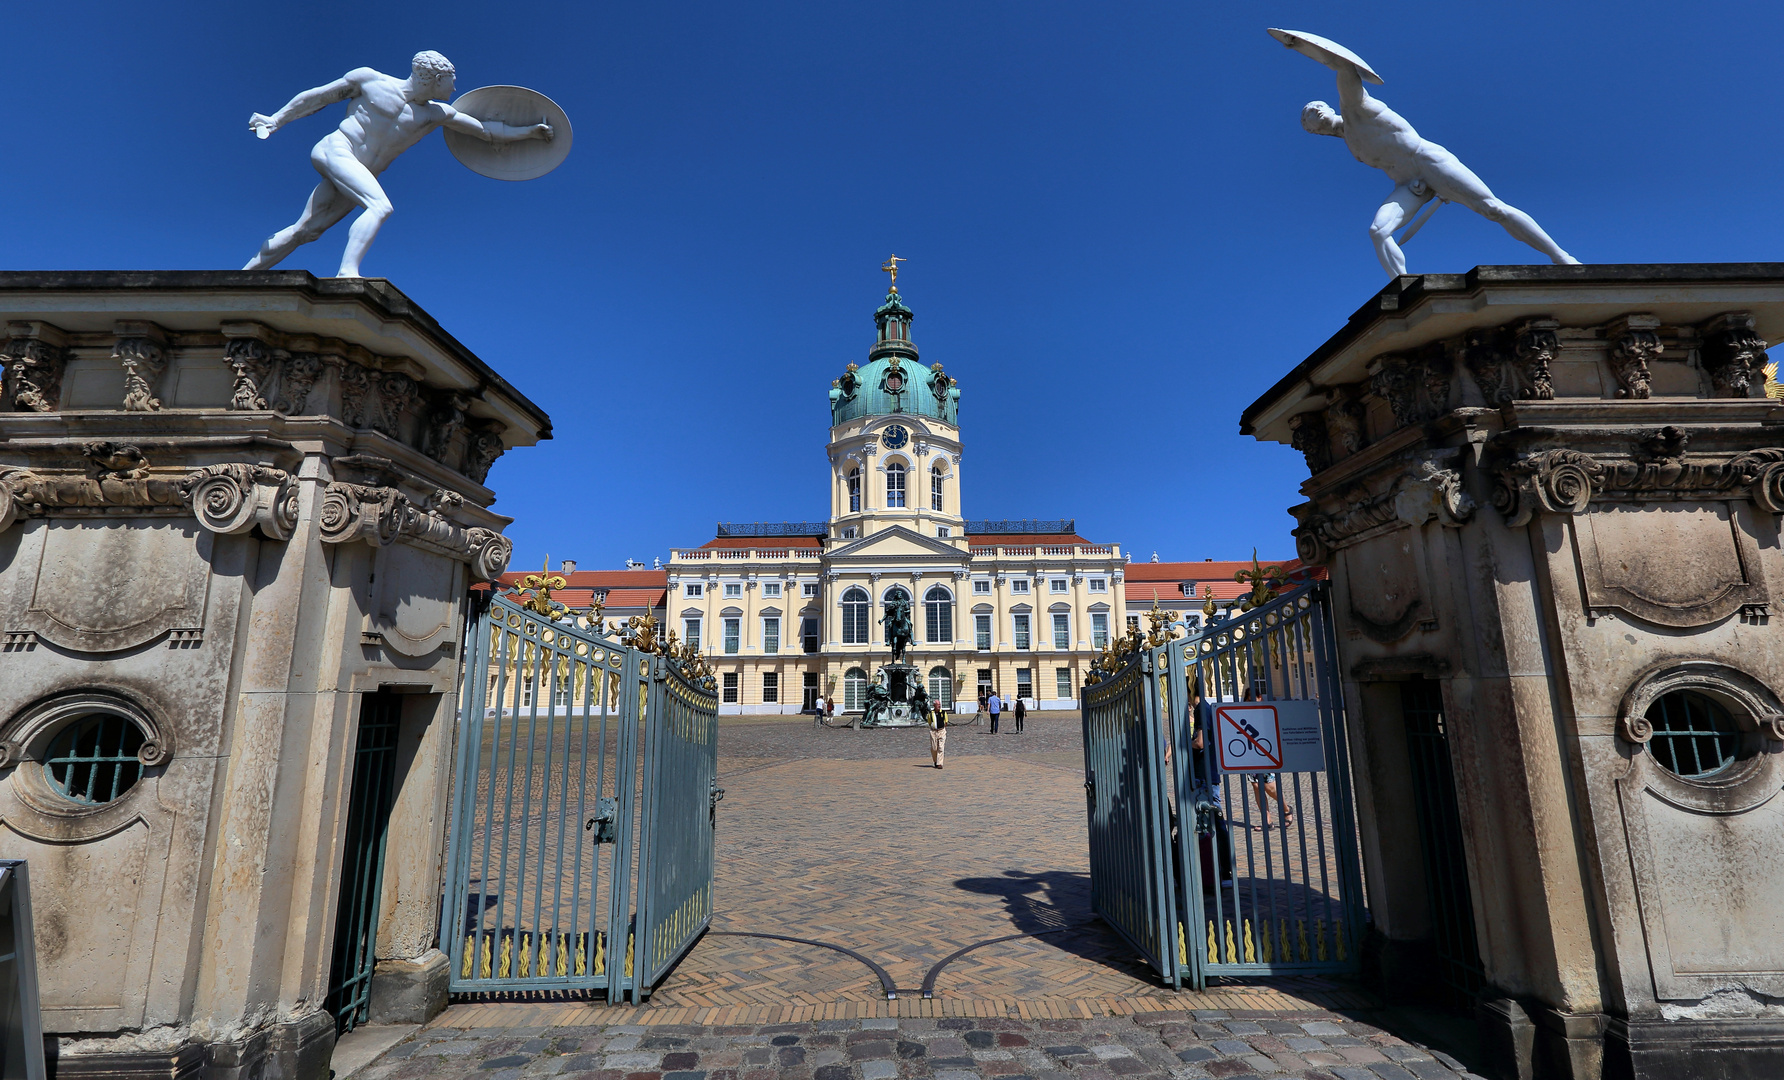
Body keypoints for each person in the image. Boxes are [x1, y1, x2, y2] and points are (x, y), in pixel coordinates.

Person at [1271, 29, 1578, 278]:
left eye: (1313, 111)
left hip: (1428, 160)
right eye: (1309, 123)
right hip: (1408, 184)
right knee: (1378, 232)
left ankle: (1561, 257)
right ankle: (1403, 289)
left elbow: (1343, 65)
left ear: (1325, 109)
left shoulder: (1356, 108)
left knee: (1492, 208)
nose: (1311, 118)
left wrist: (1298, 44)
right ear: (1316, 134)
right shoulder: (1353, 146)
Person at [243, 51, 555, 278]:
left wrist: (530, 132)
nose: (454, 90)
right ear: (432, 79)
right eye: (450, 82)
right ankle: (347, 273)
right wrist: (276, 120)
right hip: (336, 150)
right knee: (380, 207)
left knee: (306, 231)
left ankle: (242, 277)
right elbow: (317, 98)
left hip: (360, 173)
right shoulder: (370, 80)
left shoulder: (436, 114)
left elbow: (486, 131)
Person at [1240, 685, 1294, 828]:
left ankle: (1286, 809)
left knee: (1269, 786)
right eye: (1247, 700)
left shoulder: (1267, 712)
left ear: (1260, 698)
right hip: (1250, 754)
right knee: (1256, 786)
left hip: (1266, 754)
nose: (1250, 702)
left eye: (1253, 699)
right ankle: (1267, 820)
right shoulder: (1243, 713)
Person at [927, 697, 949, 769]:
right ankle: (935, 761)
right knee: (934, 748)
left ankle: (940, 763)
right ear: (934, 705)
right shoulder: (930, 713)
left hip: (941, 731)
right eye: (937, 704)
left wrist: (942, 727)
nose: (939, 706)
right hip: (933, 732)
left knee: (941, 748)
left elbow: (946, 722)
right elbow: (929, 722)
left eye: (939, 704)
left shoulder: (943, 712)